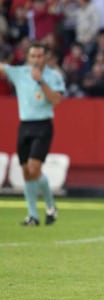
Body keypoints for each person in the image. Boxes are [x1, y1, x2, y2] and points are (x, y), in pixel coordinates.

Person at [0, 41, 66, 226]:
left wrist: (40, 81)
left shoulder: (53, 76)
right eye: (33, 56)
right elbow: (3, 69)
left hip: (43, 126)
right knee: (27, 173)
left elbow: (56, 100)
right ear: (28, 57)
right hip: (24, 126)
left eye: (40, 56)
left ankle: (51, 205)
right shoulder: (19, 73)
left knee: (34, 168)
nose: (36, 59)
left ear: (46, 57)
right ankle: (33, 216)